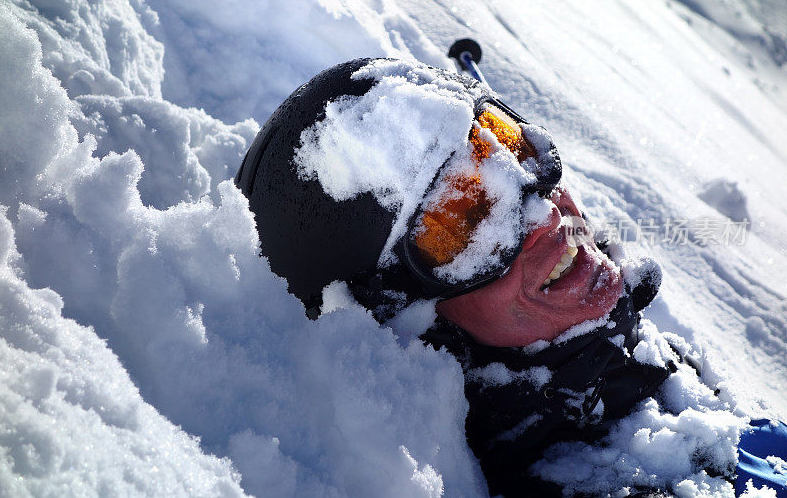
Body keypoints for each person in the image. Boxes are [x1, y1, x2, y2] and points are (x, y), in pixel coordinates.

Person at [235, 58, 784, 496]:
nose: (548, 214)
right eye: (466, 224)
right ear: (407, 319)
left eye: (515, 150)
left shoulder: (642, 384)